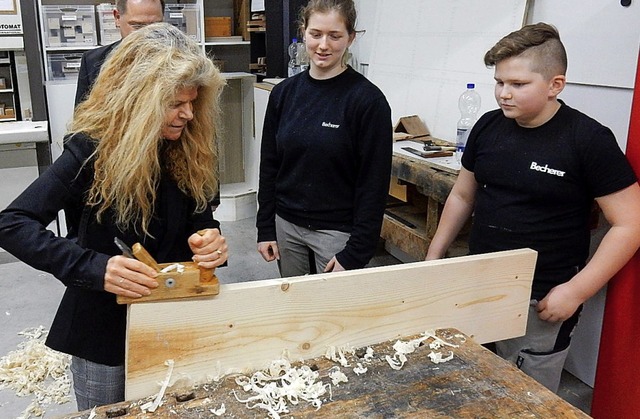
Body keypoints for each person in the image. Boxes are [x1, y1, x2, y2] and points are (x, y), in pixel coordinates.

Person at [0, 23, 228, 410]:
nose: (188, 114)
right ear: (139, 100)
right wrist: (93, 267)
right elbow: (12, 223)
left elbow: (201, 214)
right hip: (102, 326)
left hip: (172, 312)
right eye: (175, 104)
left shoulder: (187, 146)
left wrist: (208, 237)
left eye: (192, 102)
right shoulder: (90, 149)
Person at [425, 22, 640, 392]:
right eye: (499, 82)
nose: (503, 94)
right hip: (478, 283)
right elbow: (463, 195)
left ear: (555, 84)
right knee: (471, 381)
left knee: (527, 395)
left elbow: (630, 224)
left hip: (541, 298)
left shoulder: (588, 140)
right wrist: (434, 255)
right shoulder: (488, 126)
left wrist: (575, 291)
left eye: (518, 85)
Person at [256, 0, 392, 277]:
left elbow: (373, 183)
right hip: (286, 226)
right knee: (294, 307)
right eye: (316, 34)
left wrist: (356, 250)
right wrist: (265, 227)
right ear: (303, 32)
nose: (323, 45)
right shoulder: (283, 94)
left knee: (334, 315)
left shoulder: (367, 102)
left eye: (335, 35)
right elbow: (270, 165)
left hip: (337, 233)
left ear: (351, 38)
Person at [74, 0, 165, 105]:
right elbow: (82, 117)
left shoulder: (181, 59)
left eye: (156, 26)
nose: (148, 34)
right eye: (137, 26)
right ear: (117, 17)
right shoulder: (92, 62)